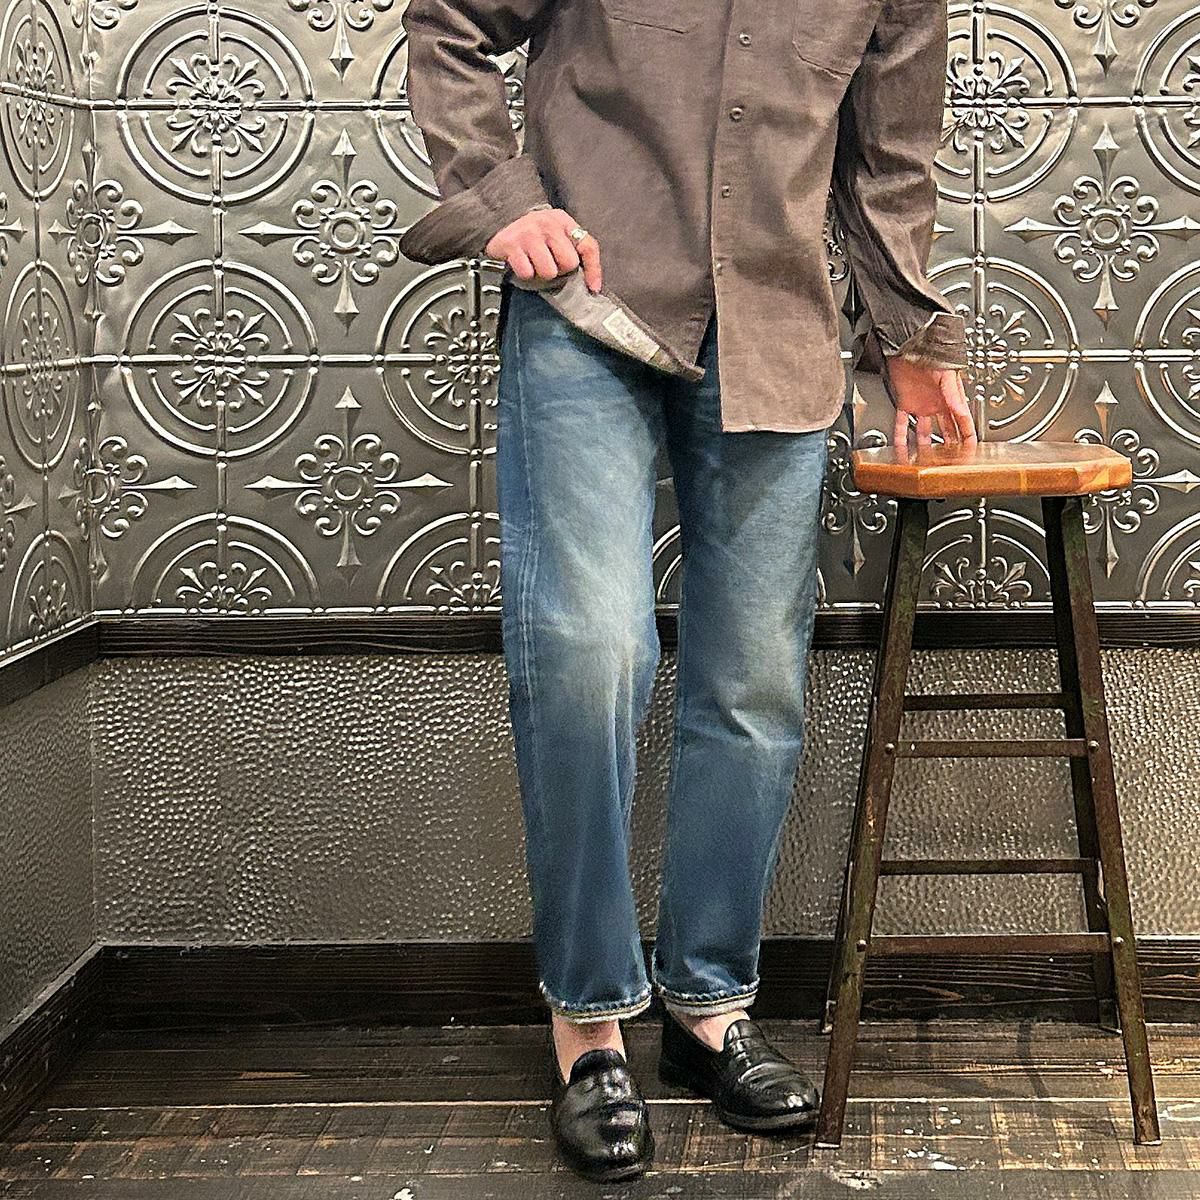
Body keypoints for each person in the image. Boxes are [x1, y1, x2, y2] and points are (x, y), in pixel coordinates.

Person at [399, 0, 977, 1182]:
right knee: (588, 649)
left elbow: (890, 156)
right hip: (587, 309)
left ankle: (709, 1009)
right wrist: (505, 199)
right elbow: (449, 20)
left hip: (775, 325)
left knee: (754, 680)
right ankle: (588, 1024)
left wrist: (911, 336)